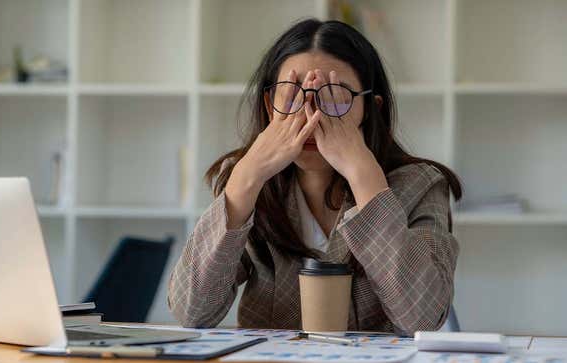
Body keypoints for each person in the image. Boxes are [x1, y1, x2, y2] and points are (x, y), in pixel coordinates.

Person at [168, 18, 462, 336]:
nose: (311, 115)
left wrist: (365, 178)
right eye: (292, 94)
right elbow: (191, 312)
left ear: (370, 109)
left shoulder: (421, 184)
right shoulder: (247, 182)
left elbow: (423, 318)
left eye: (334, 96)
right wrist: (246, 178)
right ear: (270, 106)